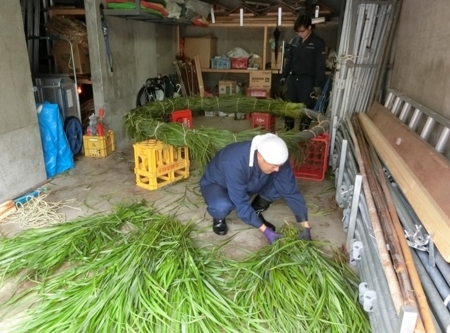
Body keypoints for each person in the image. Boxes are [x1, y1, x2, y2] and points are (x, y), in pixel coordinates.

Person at [199, 133, 311, 244]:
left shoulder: (277, 159)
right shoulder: (235, 162)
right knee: (222, 205)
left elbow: (290, 189)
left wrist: (305, 225)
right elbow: (241, 204)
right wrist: (265, 231)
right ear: (260, 156)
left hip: (249, 181)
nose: (277, 169)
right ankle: (219, 217)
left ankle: (255, 210)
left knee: (280, 186)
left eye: (279, 166)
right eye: (274, 166)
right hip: (218, 184)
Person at [280, 14, 326, 131]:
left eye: (302, 31)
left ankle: (303, 134)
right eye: (298, 32)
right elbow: (289, 60)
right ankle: (288, 133)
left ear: (310, 27)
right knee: (289, 106)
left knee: (306, 108)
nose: (300, 34)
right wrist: (284, 75)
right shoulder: (295, 41)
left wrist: (317, 84)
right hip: (294, 78)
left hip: (308, 80)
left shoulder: (317, 43)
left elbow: (320, 65)